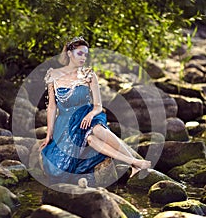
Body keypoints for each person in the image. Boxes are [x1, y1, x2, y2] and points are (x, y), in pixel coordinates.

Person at [40, 36, 151, 186]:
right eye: (80, 53)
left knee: (96, 130)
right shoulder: (53, 75)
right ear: (69, 53)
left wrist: (90, 114)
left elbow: (98, 106)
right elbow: (52, 107)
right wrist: (49, 134)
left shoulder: (89, 75)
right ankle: (134, 162)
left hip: (87, 115)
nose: (84, 57)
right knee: (62, 165)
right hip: (65, 123)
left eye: (86, 54)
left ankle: (134, 164)